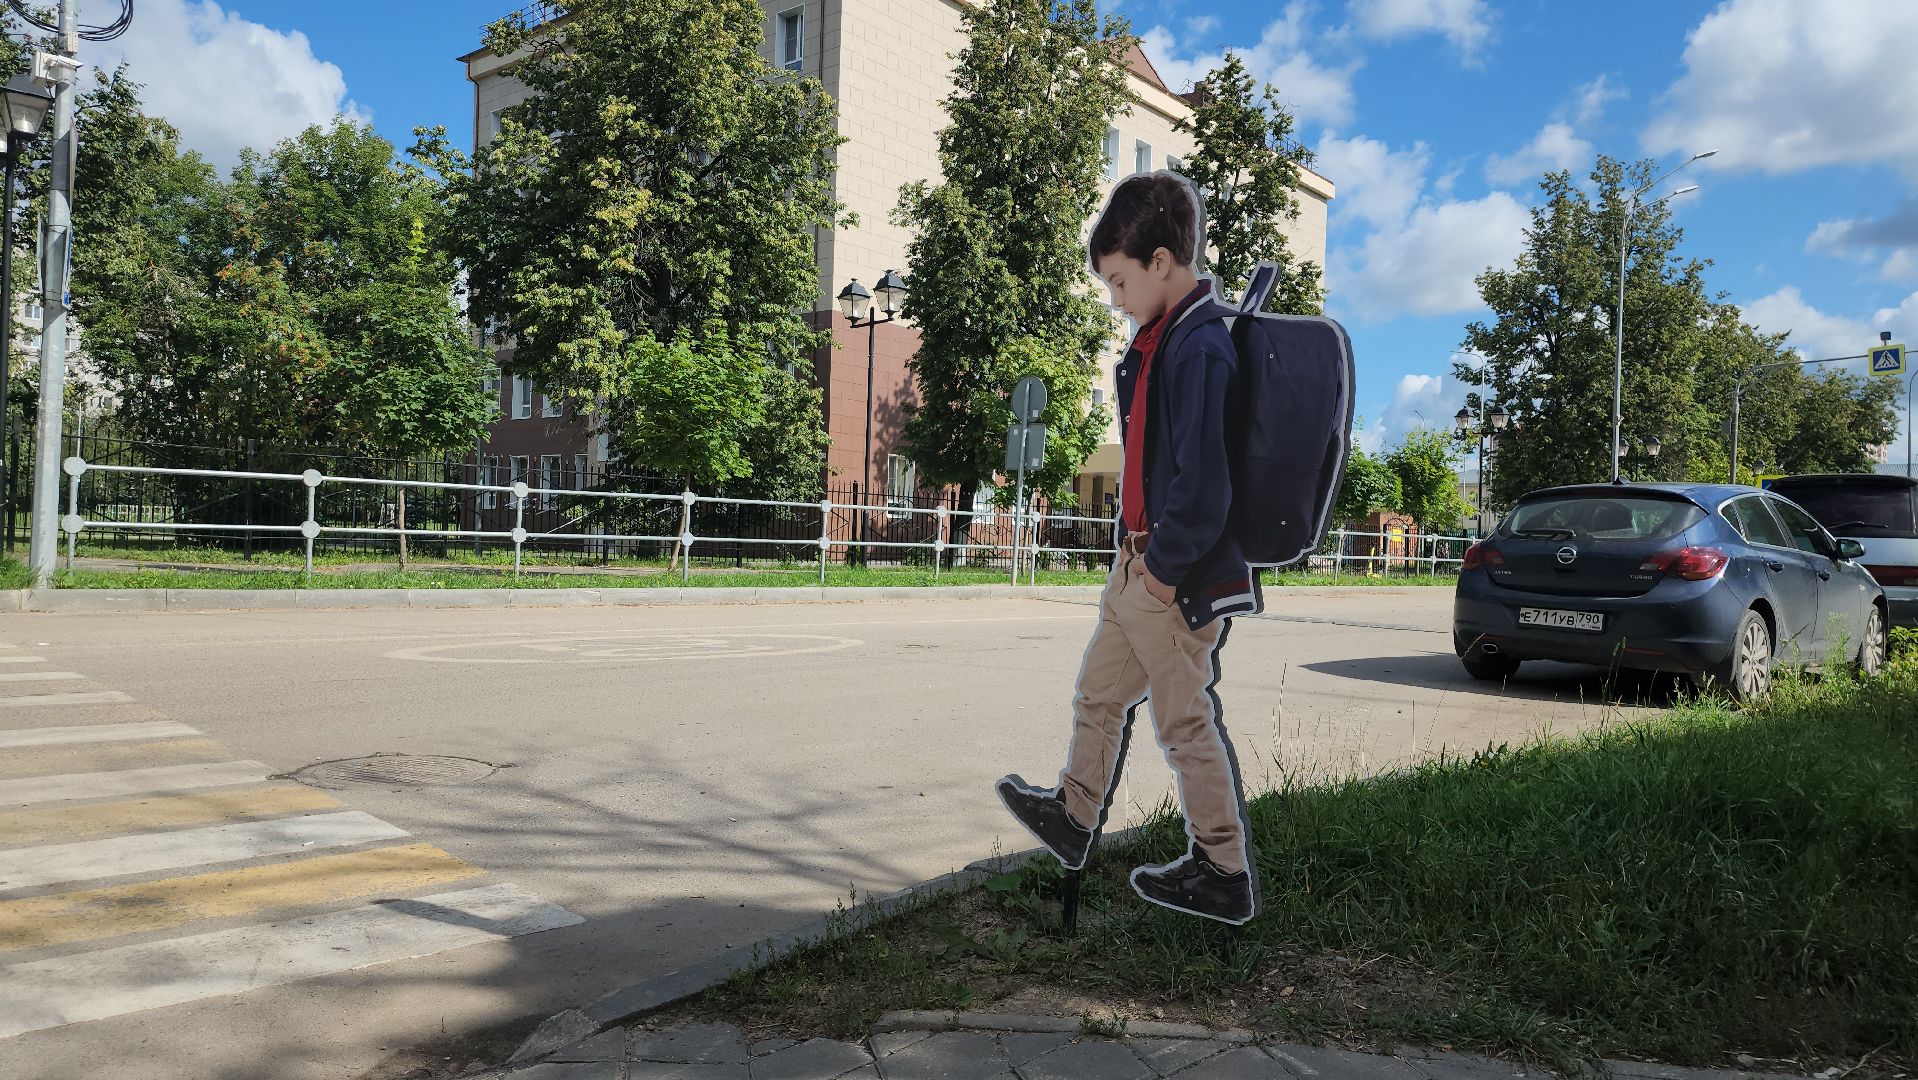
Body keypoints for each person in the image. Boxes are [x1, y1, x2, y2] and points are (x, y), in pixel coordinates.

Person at [996, 171, 1260, 925]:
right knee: (1099, 694)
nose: (1115, 299)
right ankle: (1074, 818)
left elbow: (1205, 487)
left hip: (1173, 570)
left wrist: (1163, 574)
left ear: (1163, 262)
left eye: (1119, 281)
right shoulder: (1159, 339)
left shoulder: (1200, 346)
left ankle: (1223, 867)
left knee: (1183, 722)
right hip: (1139, 560)